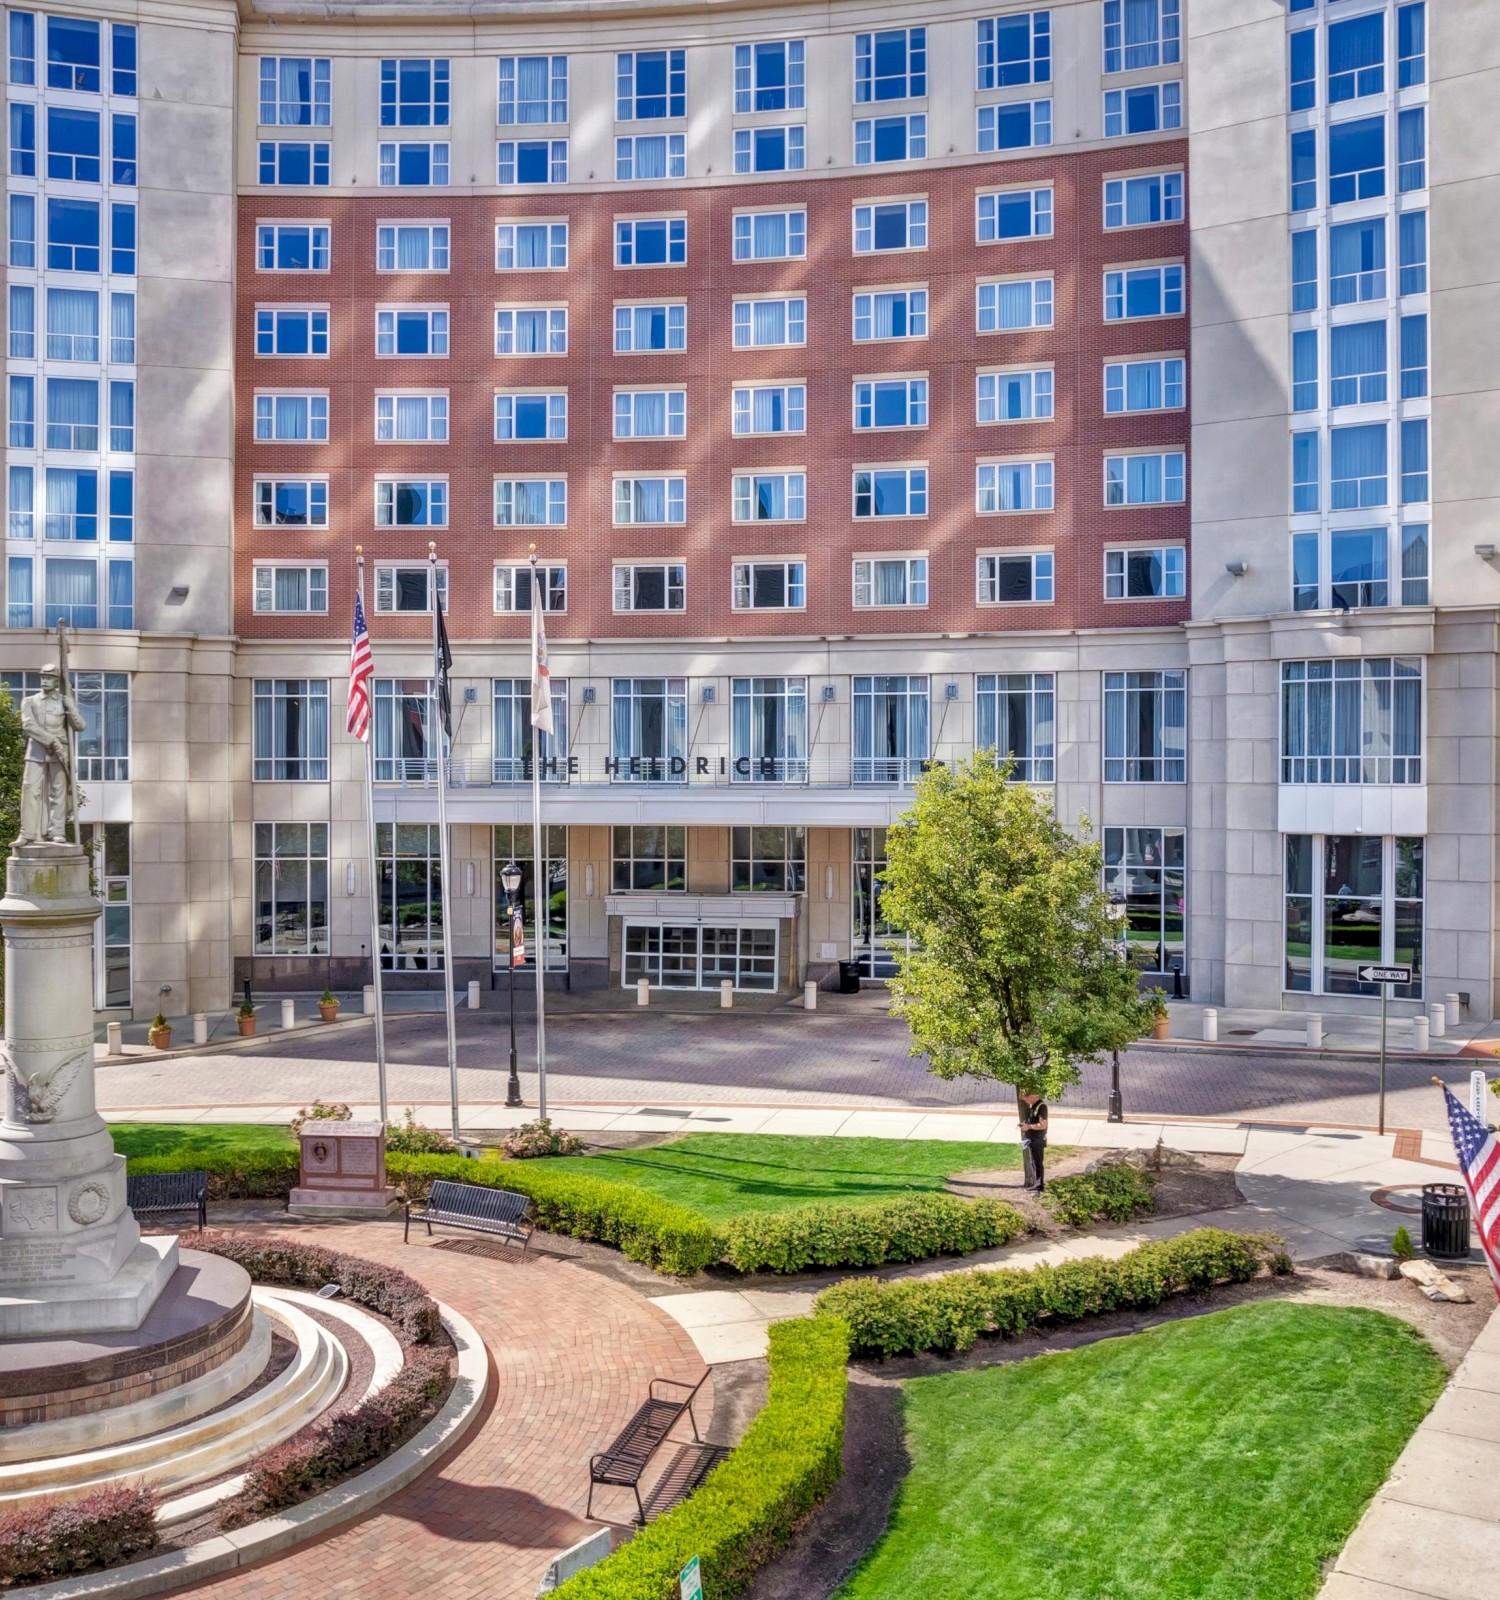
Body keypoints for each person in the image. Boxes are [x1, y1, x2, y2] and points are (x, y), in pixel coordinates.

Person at [18, 663, 83, 845]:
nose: (44, 681)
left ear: (57, 681)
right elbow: (28, 725)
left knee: (58, 792)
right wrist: (51, 739)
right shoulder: (29, 701)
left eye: (49, 678)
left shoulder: (64, 701)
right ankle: (27, 833)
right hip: (37, 750)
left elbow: (79, 726)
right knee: (29, 789)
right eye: (43, 677)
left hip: (60, 752)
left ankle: (57, 832)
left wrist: (70, 706)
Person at [1019, 1090, 1049, 1192]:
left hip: (1038, 1140)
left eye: (1026, 1099)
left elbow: (1043, 1125)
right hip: (1033, 1139)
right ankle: (1037, 1185)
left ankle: (1039, 1186)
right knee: (1034, 1163)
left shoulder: (1041, 1107)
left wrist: (1029, 1126)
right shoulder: (1033, 1106)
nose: (1026, 1102)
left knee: (1038, 1163)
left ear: (1032, 1096)